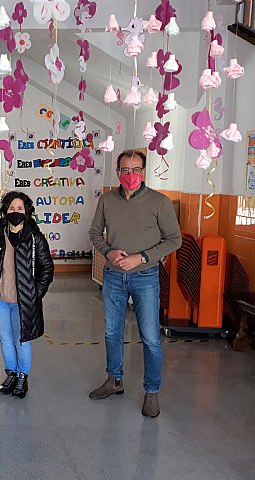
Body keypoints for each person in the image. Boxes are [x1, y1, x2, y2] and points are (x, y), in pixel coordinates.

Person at [88, 150, 181, 418]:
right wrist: (107, 251)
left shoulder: (159, 202)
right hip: (113, 276)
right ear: (118, 172)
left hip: (146, 277)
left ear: (144, 171)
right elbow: (95, 232)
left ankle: (152, 392)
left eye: (136, 170)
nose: (131, 176)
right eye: (126, 170)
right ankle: (114, 380)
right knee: (111, 332)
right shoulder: (107, 200)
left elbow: (174, 240)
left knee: (150, 337)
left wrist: (142, 257)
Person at [0, 191, 54, 399]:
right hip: (1, 300)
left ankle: (22, 377)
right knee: (5, 339)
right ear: (4, 212)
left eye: (20, 208)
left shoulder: (35, 238)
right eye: (11, 208)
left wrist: (35, 294)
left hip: (24, 302)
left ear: (27, 212)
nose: (15, 212)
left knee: (22, 340)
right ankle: (11, 373)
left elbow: (47, 269)